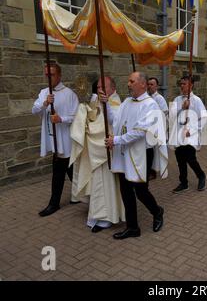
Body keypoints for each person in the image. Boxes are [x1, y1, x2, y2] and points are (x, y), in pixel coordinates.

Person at [103, 71, 166, 239]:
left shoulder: (150, 104)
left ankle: (157, 211)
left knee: (140, 190)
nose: (129, 84)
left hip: (141, 154)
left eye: (132, 81)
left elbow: (139, 131)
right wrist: (106, 104)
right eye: (128, 81)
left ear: (143, 84)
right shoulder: (127, 102)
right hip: (125, 151)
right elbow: (116, 120)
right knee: (125, 190)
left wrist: (116, 140)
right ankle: (132, 227)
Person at [70, 76, 125, 233]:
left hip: (106, 152)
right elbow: (95, 118)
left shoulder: (115, 103)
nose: (100, 90)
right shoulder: (101, 101)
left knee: (106, 185)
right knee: (98, 185)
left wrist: (91, 128)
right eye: (98, 87)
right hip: (97, 151)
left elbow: (112, 124)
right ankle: (98, 214)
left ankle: (107, 217)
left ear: (113, 88)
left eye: (103, 87)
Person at [32, 63, 79, 217]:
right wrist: (45, 103)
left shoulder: (69, 94)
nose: (48, 77)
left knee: (61, 171)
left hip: (65, 139)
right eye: (46, 74)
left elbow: (77, 118)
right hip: (52, 138)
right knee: (69, 170)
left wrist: (61, 119)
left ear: (59, 75)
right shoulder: (44, 92)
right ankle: (81, 195)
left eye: (51, 74)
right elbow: (34, 110)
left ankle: (54, 204)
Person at [169, 75, 207, 193]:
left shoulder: (196, 100)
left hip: (191, 134)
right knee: (180, 159)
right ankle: (183, 182)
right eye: (181, 84)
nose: (182, 86)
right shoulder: (177, 100)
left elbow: (204, 117)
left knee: (190, 158)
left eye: (184, 84)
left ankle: (201, 176)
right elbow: (171, 115)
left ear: (191, 85)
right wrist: (182, 107)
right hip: (179, 133)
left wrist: (193, 130)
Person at [147, 77, 169, 180]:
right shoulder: (146, 97)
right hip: (147, 129)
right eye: (148, 84)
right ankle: (149, 169)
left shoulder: (159, 98)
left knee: (154, 151)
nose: (149, 86)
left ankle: (153, 171)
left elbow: (164, 112)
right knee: (149, 150)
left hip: (156, 129)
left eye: (152, 84)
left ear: (156, 86)